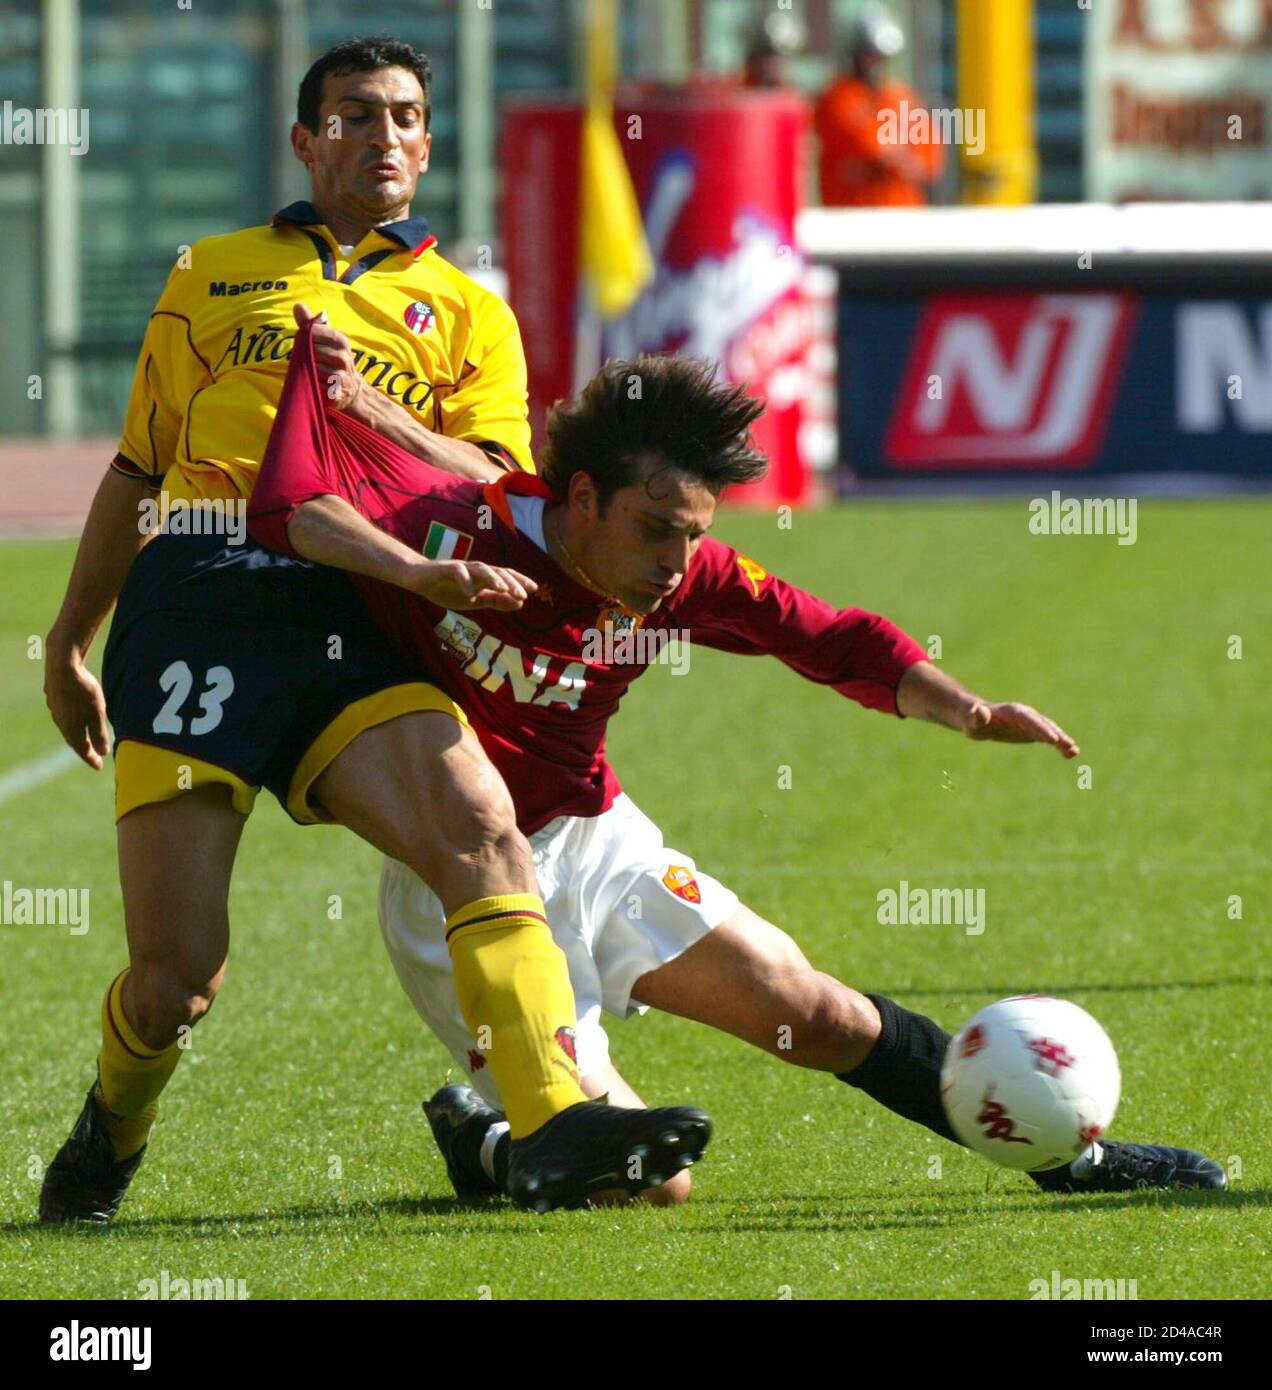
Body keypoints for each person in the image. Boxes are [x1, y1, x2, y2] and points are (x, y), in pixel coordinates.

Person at [247, 325, 1227, 1204]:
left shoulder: (677, 574)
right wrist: (398, 531)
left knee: (819, 1012)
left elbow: (831, 636)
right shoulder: (454, 531)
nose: (678, 560)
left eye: (695, 533)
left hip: (597, 841)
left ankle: (1075, 1164)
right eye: (657, 528)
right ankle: (493, 1148)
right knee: (650, 1183)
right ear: (581, 500)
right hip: (465, 893)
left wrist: (968, 710)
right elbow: (299, 500)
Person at [38, 36, 711, 1223]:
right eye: (354, 115)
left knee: (478, 825)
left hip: (360, 604)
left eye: (404, 116)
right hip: (198, 597)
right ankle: (111, 1128)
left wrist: (374, 415)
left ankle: (552, 1118)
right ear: (306, 141)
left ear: (430, 145)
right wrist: (65, 642)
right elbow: (141, 466)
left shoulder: (465, 308)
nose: (384, 135)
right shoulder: (214, 269)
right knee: (177, 979)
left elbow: (497, 477)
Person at [814, 6, 945, 207]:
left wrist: (899, 160)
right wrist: (897, 155)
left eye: (880, 58)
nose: (874, 65)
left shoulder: (901, 97)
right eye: (868, 56)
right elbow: (869, 145)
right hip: (851, 217)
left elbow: (928, 159)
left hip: (902, 215)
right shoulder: (837, 97)